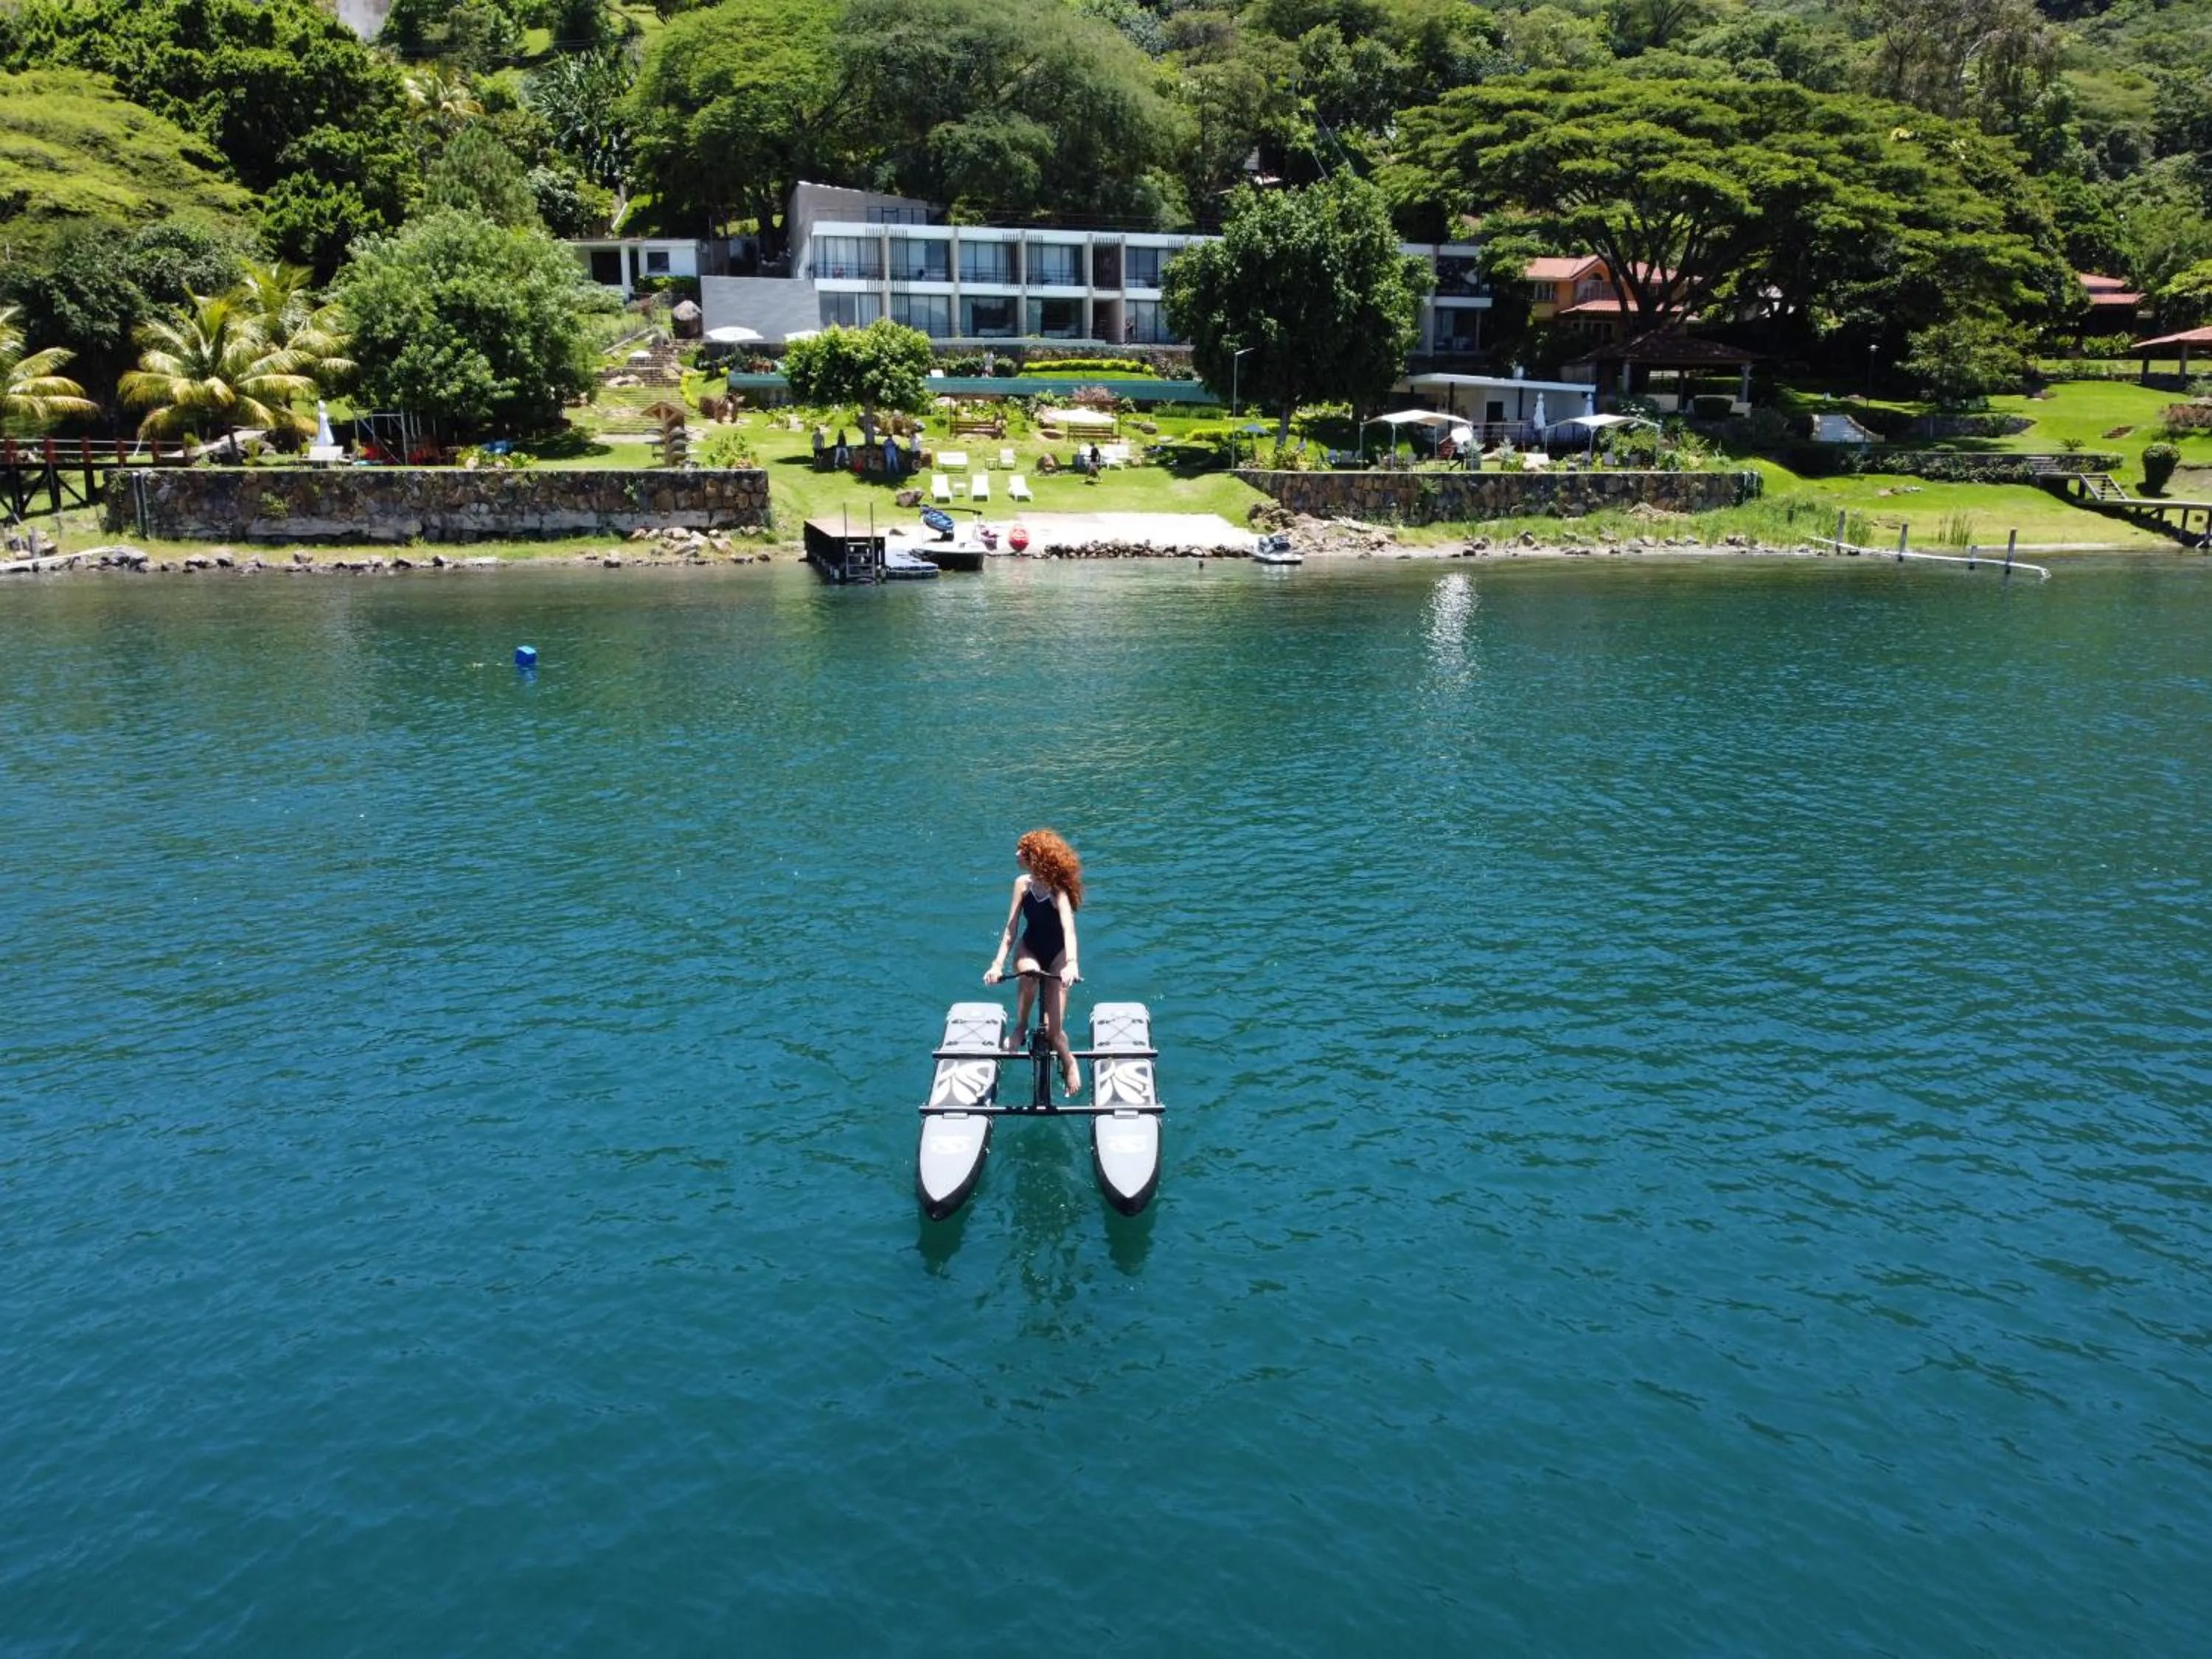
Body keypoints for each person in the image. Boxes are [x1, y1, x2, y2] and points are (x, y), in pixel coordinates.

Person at [984, 829, 1085, 1096]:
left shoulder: (1058, 892)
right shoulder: (1022, 885)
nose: (1017, 855)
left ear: (1037, 858)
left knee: (1054, 1031)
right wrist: (997, 964)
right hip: (1030, 947)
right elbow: (1010, 930)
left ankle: (1069, 1059)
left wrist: (1071, 964)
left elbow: (1069, 930)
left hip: (1058, 955)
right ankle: (1020, 1025)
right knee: (1029, 975)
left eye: (1024, 851)